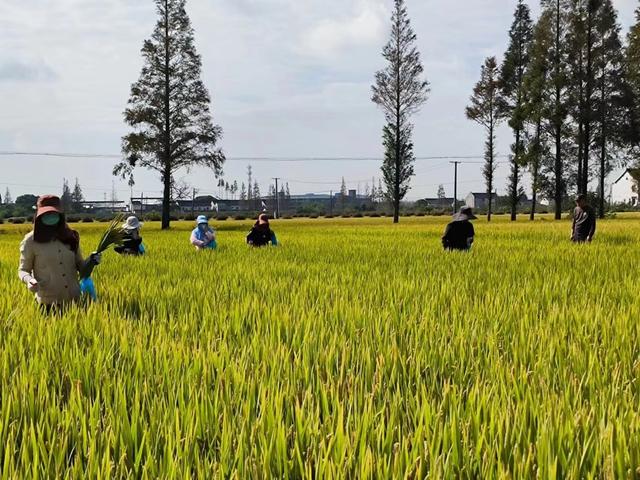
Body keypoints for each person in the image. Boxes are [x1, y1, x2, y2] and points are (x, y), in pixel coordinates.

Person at [18, 195, 101, 310]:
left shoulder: (71, 236)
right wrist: (29, 280)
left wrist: (91, 261)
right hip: (48, 304)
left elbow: (81, 267)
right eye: (46, 214)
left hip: (75, 302)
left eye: (54, 213)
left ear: (60, 215)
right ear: (39, 216)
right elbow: (23, 270)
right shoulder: (30, 241)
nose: (50, 217)